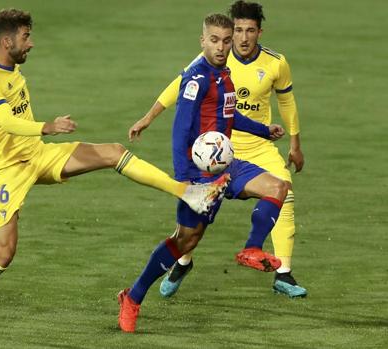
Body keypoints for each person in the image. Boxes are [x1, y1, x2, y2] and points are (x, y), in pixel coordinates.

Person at [0, 8, 229, 337]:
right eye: (25, 37)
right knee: (5, 252)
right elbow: (5, 121)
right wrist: (47, 126)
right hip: (6, 172)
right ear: (7, 41)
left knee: (113, 152)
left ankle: (187, 191)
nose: (30, 44)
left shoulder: (14, 69)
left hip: (38, 155)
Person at [118, 13, 290, 333]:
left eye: (226, 41)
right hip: (200, 174)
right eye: (214, 40)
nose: (222, 47)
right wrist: (185, 180)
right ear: (202, 41)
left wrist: (263, 130)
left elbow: (229, 115)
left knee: (278, 187)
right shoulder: (196, 79)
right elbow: (180, 129)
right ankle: (133, 297)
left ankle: (252, 247)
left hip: (226, 164)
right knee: (185, 240)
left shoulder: (224, 75)